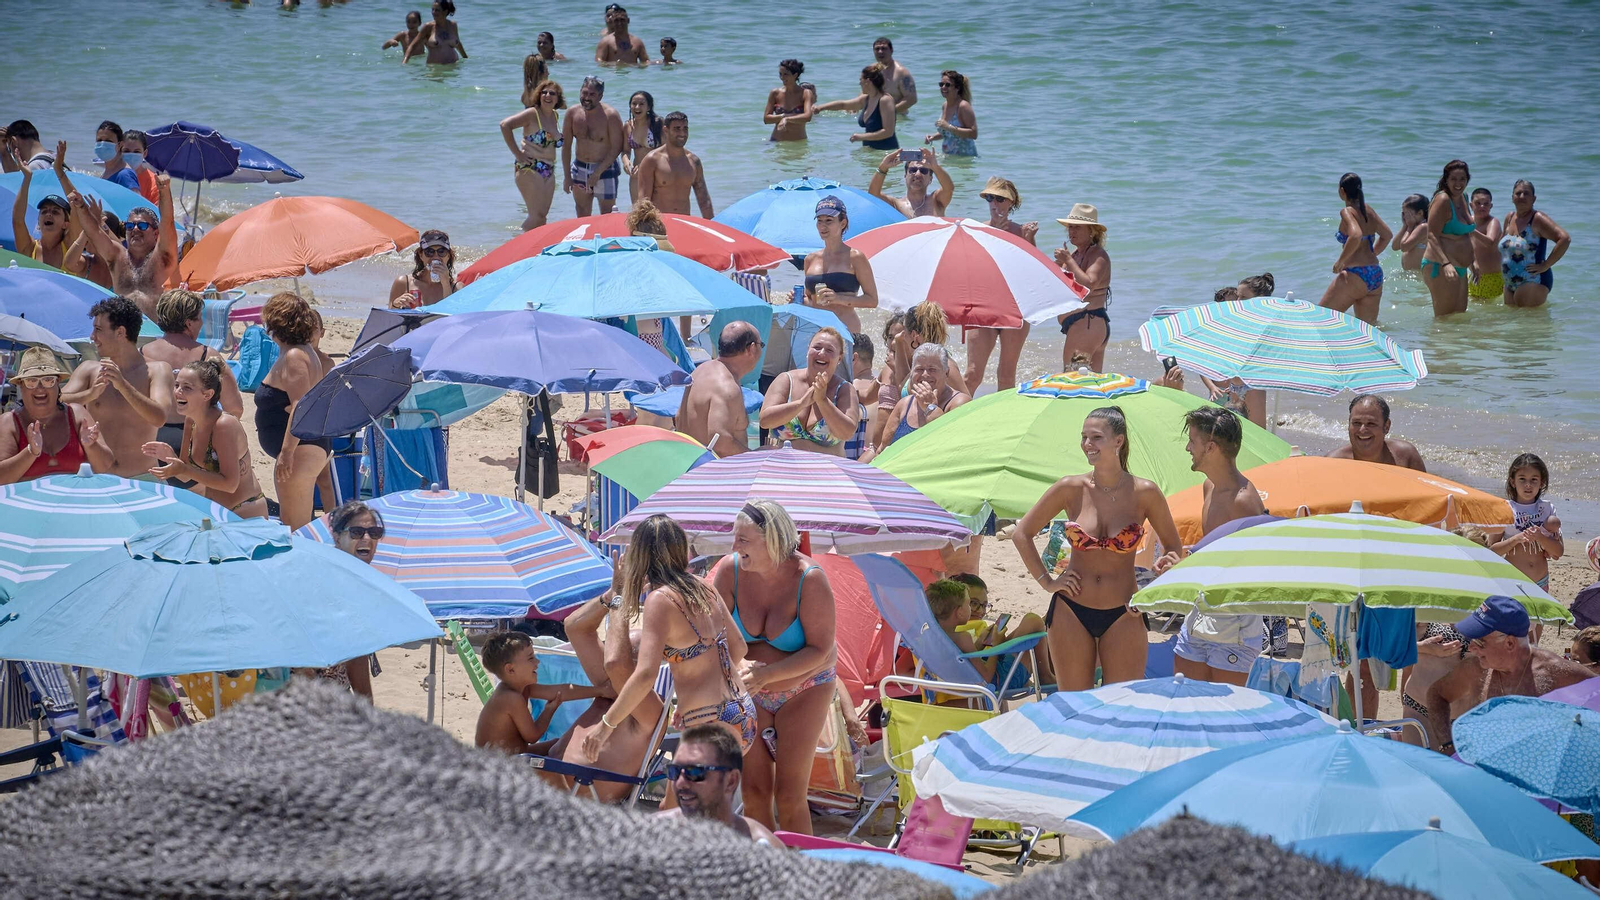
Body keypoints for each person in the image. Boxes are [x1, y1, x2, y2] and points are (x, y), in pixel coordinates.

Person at [1013, 407, 1185, 691]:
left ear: (1119, 441)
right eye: (1084, 437)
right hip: (1071, 609)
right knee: (1074, 704)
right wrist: (1048, 582)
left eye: (1096, 437)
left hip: (1125, 610)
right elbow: (1022, 534)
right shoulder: (1070, 487)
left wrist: (1156, 587)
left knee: (1122, 704)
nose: (1087, 445)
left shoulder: (1145, 492)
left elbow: (1174, 549)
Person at [582, 515, 756, 764]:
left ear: (640, 556)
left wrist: (606, 725)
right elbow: (738, 647)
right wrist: (691, 701)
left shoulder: (660, 600)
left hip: (709, 722)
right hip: (742, 712)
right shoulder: (702, 586)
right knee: (676, 804)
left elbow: (644, 675)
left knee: (687, 803)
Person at [710, 500, 837, 834]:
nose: (734, 547)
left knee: (790, 794)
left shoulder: (809, 579)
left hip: (805, 689)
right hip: (751, 691)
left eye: (743, 540)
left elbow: (821, 651)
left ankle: (801, 878)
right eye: (734, 539)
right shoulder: (730, 570)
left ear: (773, 541)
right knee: (753, 792)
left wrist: (766, 674)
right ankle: (766, 871)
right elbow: (711, 635)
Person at [1171, 408, 1267, 686]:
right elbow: (1215, 547)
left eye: (1193, 441)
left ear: (1210, 447)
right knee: (1186, 698)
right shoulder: (1209, 487)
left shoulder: (1244, 501)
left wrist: (1189, 565)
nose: (1189, 447)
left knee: (1227, 716)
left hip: (1235, 621)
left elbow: (1254, 571)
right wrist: (1184, 559)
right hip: (1201, 609)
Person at [1425, 595, 1593, 753]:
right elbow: (1437, 694)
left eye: (1479, 642)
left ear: (1510, 643)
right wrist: (1447, 745)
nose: (1471, 648)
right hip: (1483, 771)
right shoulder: (1477, 668)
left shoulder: (1557, 673)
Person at [59, 297, 172, 480]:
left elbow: (159, 417)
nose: (92, 337)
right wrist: (90, 394)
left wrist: (123, 386)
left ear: (120, 332)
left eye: (98, 329)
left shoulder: (157, 370)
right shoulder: (89, 369)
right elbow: (56, 403)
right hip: (95, 477)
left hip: (143, 478)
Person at [142, 359, 267, 518]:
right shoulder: (190, 421)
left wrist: (184, 468)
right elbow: (185, 476)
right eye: (177, 385)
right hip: (215, 512)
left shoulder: (223, 425)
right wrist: (170, 457)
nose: (178, 392)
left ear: (207, 394)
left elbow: (230, 484)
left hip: (244, 511)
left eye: (187, 388)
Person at [254, 292, 328, 530]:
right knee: (296, 525)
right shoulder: (299, 351)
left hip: (299, 450)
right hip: (304, 447)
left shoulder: (296, 355)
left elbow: (300, 404)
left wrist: (286, 453)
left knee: (295, 529)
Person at [143, 289, 244, 461]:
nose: (201, 324)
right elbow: (235, 408)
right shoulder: (208, 355)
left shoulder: (141, 353)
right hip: (195, 440)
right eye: (199, 318)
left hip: (150, 440)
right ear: (189, 323)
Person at [959, 177, 1037, 394]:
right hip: (983, 305)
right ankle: (956, 419)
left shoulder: (1023, 233)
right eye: (990, 198)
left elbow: (1035, 274)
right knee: (972, 374)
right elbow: (969, 270)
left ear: (1011, 203)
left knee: (1006, 376)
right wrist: (993, 238)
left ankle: (1003, 424)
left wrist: (1028, 242)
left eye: (1000, 199)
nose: (994, 203)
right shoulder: (976, 230)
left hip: (1015, 307)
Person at [475, 630, 607, 756]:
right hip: (501, 767)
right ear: (510, 669)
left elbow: (561, 691)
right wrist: (549, 711)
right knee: (563, 752)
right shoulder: (510, 698)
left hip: (515, 755)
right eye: (531, 658)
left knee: (561, 743)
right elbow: (532, 736)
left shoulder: (521, 688)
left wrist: (600, 691)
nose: (537, 662)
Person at [68, 176, 176, 318]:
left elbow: (167, 222)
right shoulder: (118, 256)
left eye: (142, 226)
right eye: (130, 226)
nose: (135, 229)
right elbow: (94, 232)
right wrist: (81, 207)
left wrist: (164, 191)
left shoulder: (162, 256)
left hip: (153, 332)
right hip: (122, 332)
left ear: (156, 233)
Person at [0, 348, 112, 485]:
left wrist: (91, 446)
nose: (40, 388)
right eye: (31, 381)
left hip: (75, 503)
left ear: (58, 384)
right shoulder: (9, 422)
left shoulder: (77, 414)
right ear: (21, 387)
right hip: (29, 505)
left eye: (48, 380)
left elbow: (106, 467)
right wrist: (30, 452)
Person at [656, 724, 777, 843]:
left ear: (731, 781)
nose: (680, 783)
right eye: (674, 771)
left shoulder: (759, 847)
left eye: (695, 772)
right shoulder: (653, 833)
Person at [929, 578, 1052, 692]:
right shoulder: (963, 637)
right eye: (968, 604)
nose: (971, 610)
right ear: (960, 612)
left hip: (967, 680)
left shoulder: (930, 637)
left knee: (1025, 627)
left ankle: (1044, 674)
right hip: (1001, 681)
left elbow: (963, 660)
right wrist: (995, 646)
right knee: (1033, 620)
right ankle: (1044, 675)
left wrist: (980, 643)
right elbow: (986, 677)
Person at [760, 329, 858, 457]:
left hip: (825, 472)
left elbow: (847, 433)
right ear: (808, 351)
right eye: (817, 347)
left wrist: (823, 401)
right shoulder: (786, 380)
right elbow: (765, 421)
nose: (822, 353)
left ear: (839, 358)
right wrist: (801, 403)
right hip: (781, 469)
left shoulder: (845, 389)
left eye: (829, 350)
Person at [680, 322, 763, 456]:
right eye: (761, 345)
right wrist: (755, 457)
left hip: (691, 464)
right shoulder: (727, 387)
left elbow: (679, 417)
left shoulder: (699, 372)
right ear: (751, 349)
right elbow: (720, 442)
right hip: (714, 473)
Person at [800, 196, 879, 336]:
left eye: (829, 221)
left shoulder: (855, 257)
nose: (823, 226)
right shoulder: (810, 259)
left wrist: (839, 299)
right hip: (816, 330)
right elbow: (811, 300)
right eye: (819, 221)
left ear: (843, 223)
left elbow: (872, 300)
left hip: (846, 329)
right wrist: (799, 299)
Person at [1320, 173, 1391, 325]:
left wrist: (1341, 261)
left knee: (1320, 321)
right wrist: (1372, 254)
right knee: (1368, 331)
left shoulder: (1347, 211)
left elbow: (1356, 235)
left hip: (1354, 276)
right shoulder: (1368, 210)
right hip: (1374, 274)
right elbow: (1387, 235)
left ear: (1342, 191)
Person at [875, 343, 969, 452]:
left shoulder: (960, 402)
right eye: (919, 369)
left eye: (932, 369)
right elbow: (882, 448)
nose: (925, 374)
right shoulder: (904, 404)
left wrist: (930, 407)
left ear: (946, 373)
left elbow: (950, 445)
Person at [1492, 453, 1563, 592]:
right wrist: (1516, 539)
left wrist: (1540, 537)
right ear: (1513, 482)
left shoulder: (1547, 509)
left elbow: (1558, 552)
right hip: (1512, 580)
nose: (1528, 485)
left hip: (1540, 581)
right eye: (1522, 479)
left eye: (1534, 480)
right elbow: (1492, 551)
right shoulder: (1504, 509)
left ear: (1542, 482)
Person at [1054, 204, 1113, 372]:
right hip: (1085, 325)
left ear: (1092, 231)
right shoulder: (1075, 254)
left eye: (1077, 227)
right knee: (1090, 386)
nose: (1072, 231)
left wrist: (1069, 261)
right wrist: (1059, 265)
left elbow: (1088, 285)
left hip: (1088, 322)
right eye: (1070, 227)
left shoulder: (1098, 255)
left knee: (1072, 379)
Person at [501, 82, 565, 230]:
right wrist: (517, 153)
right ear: (538, 95)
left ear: (558, 99)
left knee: (542, 217)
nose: (547, 96)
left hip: (548, 169)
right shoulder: (532, 113)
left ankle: (535, 250)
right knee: (535, 216)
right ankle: (517, 246)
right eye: (544, 92)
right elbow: (505, 125)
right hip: (530, 167)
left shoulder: (555, 116)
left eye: (552, 93)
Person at [1499, 179, 1570, 308]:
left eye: (1526, 193)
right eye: (1518, 193)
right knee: (1514, 325)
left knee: (1527, 323)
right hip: (1510, 282)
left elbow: (1564, 239)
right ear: (1512, 198)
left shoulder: (1537, 218)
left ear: (1534, 198)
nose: (1522, 196)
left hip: (1534, 280)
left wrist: (1546, 264)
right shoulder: (1509, 217)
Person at [562, 76, 625, 216]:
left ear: (600, 96)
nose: (587, 98)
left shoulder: (611, 115)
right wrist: (567, 176)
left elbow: (617, 147)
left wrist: (597, 173)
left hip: (606, 168)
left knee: (607, 215)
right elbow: (566, 146)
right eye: (584, 93)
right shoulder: (572, 113)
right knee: (582, 213)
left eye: (592, 94)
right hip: (580, 167)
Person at [1420, 159, 1474, 316]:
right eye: (1453, 179)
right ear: (1446, 180)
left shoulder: (1463, 197)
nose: (1458, 183)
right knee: (1444, 318)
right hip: (1440, 265)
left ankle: (1454, 343)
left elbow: (1466, 234)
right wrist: (1446, 264)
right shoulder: (1442, 199)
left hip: (1460, 267)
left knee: (1459, 315)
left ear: (1467, 179)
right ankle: (1434, 342)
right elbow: (1431, 235)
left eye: (1462, 179)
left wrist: (1472, 261)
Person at [636, 112, 712, 218]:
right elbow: (643, 201)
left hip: (684, 223)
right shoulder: (652, 160)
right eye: (677, 128)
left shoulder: (694, 162)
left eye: (685, 128)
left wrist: (712, 228)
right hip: (659, 224)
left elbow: (704, 201)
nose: (682, 133)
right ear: (666, 130)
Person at [1328, 394, 1426, 471]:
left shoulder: (1406, 456)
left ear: (1386, 426)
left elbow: (1427, 493)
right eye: (1356, 423)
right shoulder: (1333, 462)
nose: (1362, 430)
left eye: (1371, 423)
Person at [10, 166, 80, 271]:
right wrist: (27, 178)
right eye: (44, 211)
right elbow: (17, 220)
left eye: (55, 212)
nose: (48, 214)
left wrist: (59, 171)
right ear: (38, 222)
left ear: (66, 224)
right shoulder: (30, 248)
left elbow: (79, 211)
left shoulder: (70, 246)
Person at [815, 64, 897, 151]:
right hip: (871, 152)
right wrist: (820, 108)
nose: (859, 83)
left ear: (867, 81)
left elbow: (888, 132)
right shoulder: (866, 99)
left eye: (860, 80)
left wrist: (861, 137)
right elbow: (843, 105)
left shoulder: (885, 100)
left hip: (887, 152)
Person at [868, 149, 952, 218]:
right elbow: (873, 195)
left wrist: (935, 167)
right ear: (905, 175)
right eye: (913, 170)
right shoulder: (896, 205)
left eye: (924, 171)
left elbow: (948, 188)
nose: (918, 174)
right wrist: (883, 167)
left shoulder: (936, 201)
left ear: (930, 178)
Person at [388, 230, 457, 307]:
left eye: (441, 251)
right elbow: (388, 316)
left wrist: (446, 284)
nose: (436, 257)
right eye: (429, 252)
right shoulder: (404, 282)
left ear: (448, 256)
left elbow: (454, 316)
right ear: (421, 255)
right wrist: (396, 305)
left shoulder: (456, 288)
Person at [620, 91, 662, 203]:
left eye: (641, 104)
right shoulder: (628, 126)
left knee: (657, 211)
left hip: (656, 172)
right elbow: (625, 151)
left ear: (649, 107)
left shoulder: (657, 123)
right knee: (638, 210)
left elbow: (666, 150)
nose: (637, 107)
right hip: (636, 174)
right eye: (634, 103)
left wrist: (645, 166)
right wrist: (626, 162)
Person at [924, 70, 977, 156]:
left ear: (957, 87)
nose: (943, 87)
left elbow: (974, 134)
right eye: (941, 84)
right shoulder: (945, 106)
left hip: (964, 159)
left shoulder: (963, 106)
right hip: (949, 158)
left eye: (947, 85)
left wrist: (948, 126)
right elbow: (948, 134)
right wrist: (933, 137)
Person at [1466, 188, 1503, 303]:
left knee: (1489, 315)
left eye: (1486, 204)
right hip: (1474, 276)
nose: (1482, 206)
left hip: (1492, 278)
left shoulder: (1493, 222)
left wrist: (1471, 230)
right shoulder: (1469, 222)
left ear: (1491, 206)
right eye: (1478, 203)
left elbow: (1490, 241)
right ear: (1471, 205)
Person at [845, 333, 878, 460]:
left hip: (854, 459)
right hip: (876, 457)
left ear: (853, 358)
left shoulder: (849, 388)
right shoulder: (884, 387)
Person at [765, 59, 814, 142]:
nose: (782, 77)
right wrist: (782, 116)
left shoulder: (805, 93)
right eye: (780, 74)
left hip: (798, 143)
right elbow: (766, 119)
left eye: (786, 74)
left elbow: (807, 117)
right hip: (777, 141)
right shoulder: (775, 93)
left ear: (795, 75)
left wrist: (787, 119)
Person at [870, 36, 916, 113]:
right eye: (877, 49)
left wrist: (890, 111)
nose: (880, 52)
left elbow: (912, 98)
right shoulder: (872, 70)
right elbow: (865, 92)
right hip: (875, 116)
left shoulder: (901, 72)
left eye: (884, 48)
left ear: (891, 51)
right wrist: (854, 107)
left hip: (897, 118)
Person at [94, 121, 140, 194]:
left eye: (108, 141)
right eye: (99, 140)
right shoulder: (107, 172)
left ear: (120, 145)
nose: (102, 144)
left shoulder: (125, 175)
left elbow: (136, 204)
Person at [1392, 194, 1429, 272]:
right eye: (1403, 213)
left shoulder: (1424, 227)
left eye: (1407, 213)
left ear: (1420, 213)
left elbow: (1404, 247)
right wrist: (1405, 226)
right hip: (1411, 274)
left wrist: (1409, 227)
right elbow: (1395, 246)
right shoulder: (1413, 226)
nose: (1404, 216)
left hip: (1419, 275)